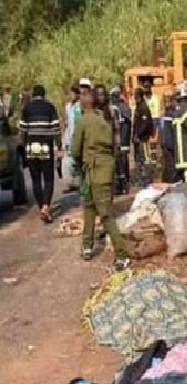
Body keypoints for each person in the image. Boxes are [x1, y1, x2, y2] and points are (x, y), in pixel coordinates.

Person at [71, 85, 130, 271]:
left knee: (104, 214)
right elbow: (115, 145)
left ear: (82, 105)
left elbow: (74, 150)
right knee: (90, 207)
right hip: (104, 170)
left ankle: (121, 255)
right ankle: (87, 245)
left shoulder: (83, 121)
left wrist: (83, 160)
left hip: (93, 170)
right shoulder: (104, 119)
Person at [19, 84, 61, 223]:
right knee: (48, 178)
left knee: (36, 178)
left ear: (33, 95)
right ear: (44, 94)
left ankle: (40, 206)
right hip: (45, 146)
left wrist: (25, 147)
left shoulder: (27, 108)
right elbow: (56, 129)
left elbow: (23, 131)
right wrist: (59, 146)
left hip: (31, 147)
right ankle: (46, 206)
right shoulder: (49, 107)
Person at [110, 85, 132, 194]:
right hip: (120, 140)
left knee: (121, 162)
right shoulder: (118, 107)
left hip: (121, 139)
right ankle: (122, 184)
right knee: (121, 163)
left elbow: (128, 119)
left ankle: (123, 185)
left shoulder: (120, 107)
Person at [132, 88, 153, 187]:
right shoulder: (138, 107)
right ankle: (141, 178)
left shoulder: (143, 108)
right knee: (139, 160)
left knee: (145, 159)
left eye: (135, 96)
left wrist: (138, 134)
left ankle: (147, 178)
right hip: (138, 139)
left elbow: (144, 124)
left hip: (143, 138)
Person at [159, 90, 178, 183]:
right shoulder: (171, 113)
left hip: (165, 144)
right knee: (171, 167)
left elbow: (162, 130)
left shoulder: (165, 114)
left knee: (167, 167)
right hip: (170, 145)